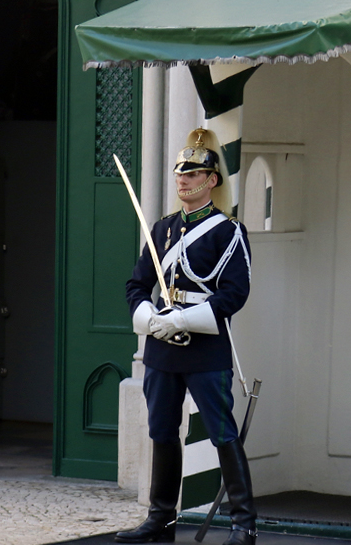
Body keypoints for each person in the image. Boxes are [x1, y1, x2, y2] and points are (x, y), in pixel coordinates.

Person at [118, 128, 256, 545]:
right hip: (162, 346)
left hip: (205, 347)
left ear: (212, 180)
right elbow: (138, 284)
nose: (183, 179)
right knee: (161, 428)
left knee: (221, 431)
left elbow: (235, 293)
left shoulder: (228, 231)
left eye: (193, 173)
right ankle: (161, 518)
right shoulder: (160, 229)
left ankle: (243, 523)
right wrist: (148, 317)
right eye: (180, 172)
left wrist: (184, 320)